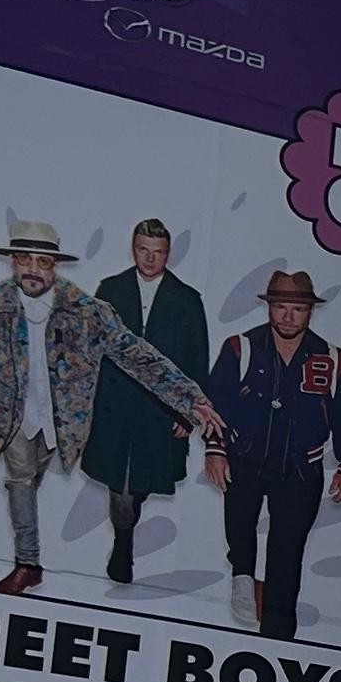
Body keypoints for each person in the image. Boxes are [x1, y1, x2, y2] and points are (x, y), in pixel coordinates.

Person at [0, 220, 225, 594]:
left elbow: (137, 356)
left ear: (55, 266)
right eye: (24, 259)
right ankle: (28, 564)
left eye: (42, 261)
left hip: (66, 418)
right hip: (15, 414)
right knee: (20, 481)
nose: (32, 269)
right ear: (12, 261)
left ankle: (112, 539)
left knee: (90, 489)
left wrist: (190, 400)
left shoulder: (87, 311)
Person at [204, 269, 341, 640]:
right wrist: (215, 449)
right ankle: (243, 575)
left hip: (301, 468)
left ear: (311, 312)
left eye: (298, 309)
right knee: (240, 523)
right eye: (281, 307)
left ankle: (278, 634)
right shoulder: (241, 348)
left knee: (288, 552)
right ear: (269, 308)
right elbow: (216, 402)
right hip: (245, 456)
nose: (288, 316)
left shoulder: (333, 359)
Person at [85, 217, 211, 589]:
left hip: (159, 406)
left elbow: (197, 359)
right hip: (115, 401)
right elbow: (91, 347)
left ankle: (126, 530)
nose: (150, 258)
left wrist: (187, 412)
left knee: (138, 482)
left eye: (158, 252)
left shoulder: (186, 299)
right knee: (120, 480)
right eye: (144, 250)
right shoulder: (111, 289)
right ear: (133, 249)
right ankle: (123, 543)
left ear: (168, 253)